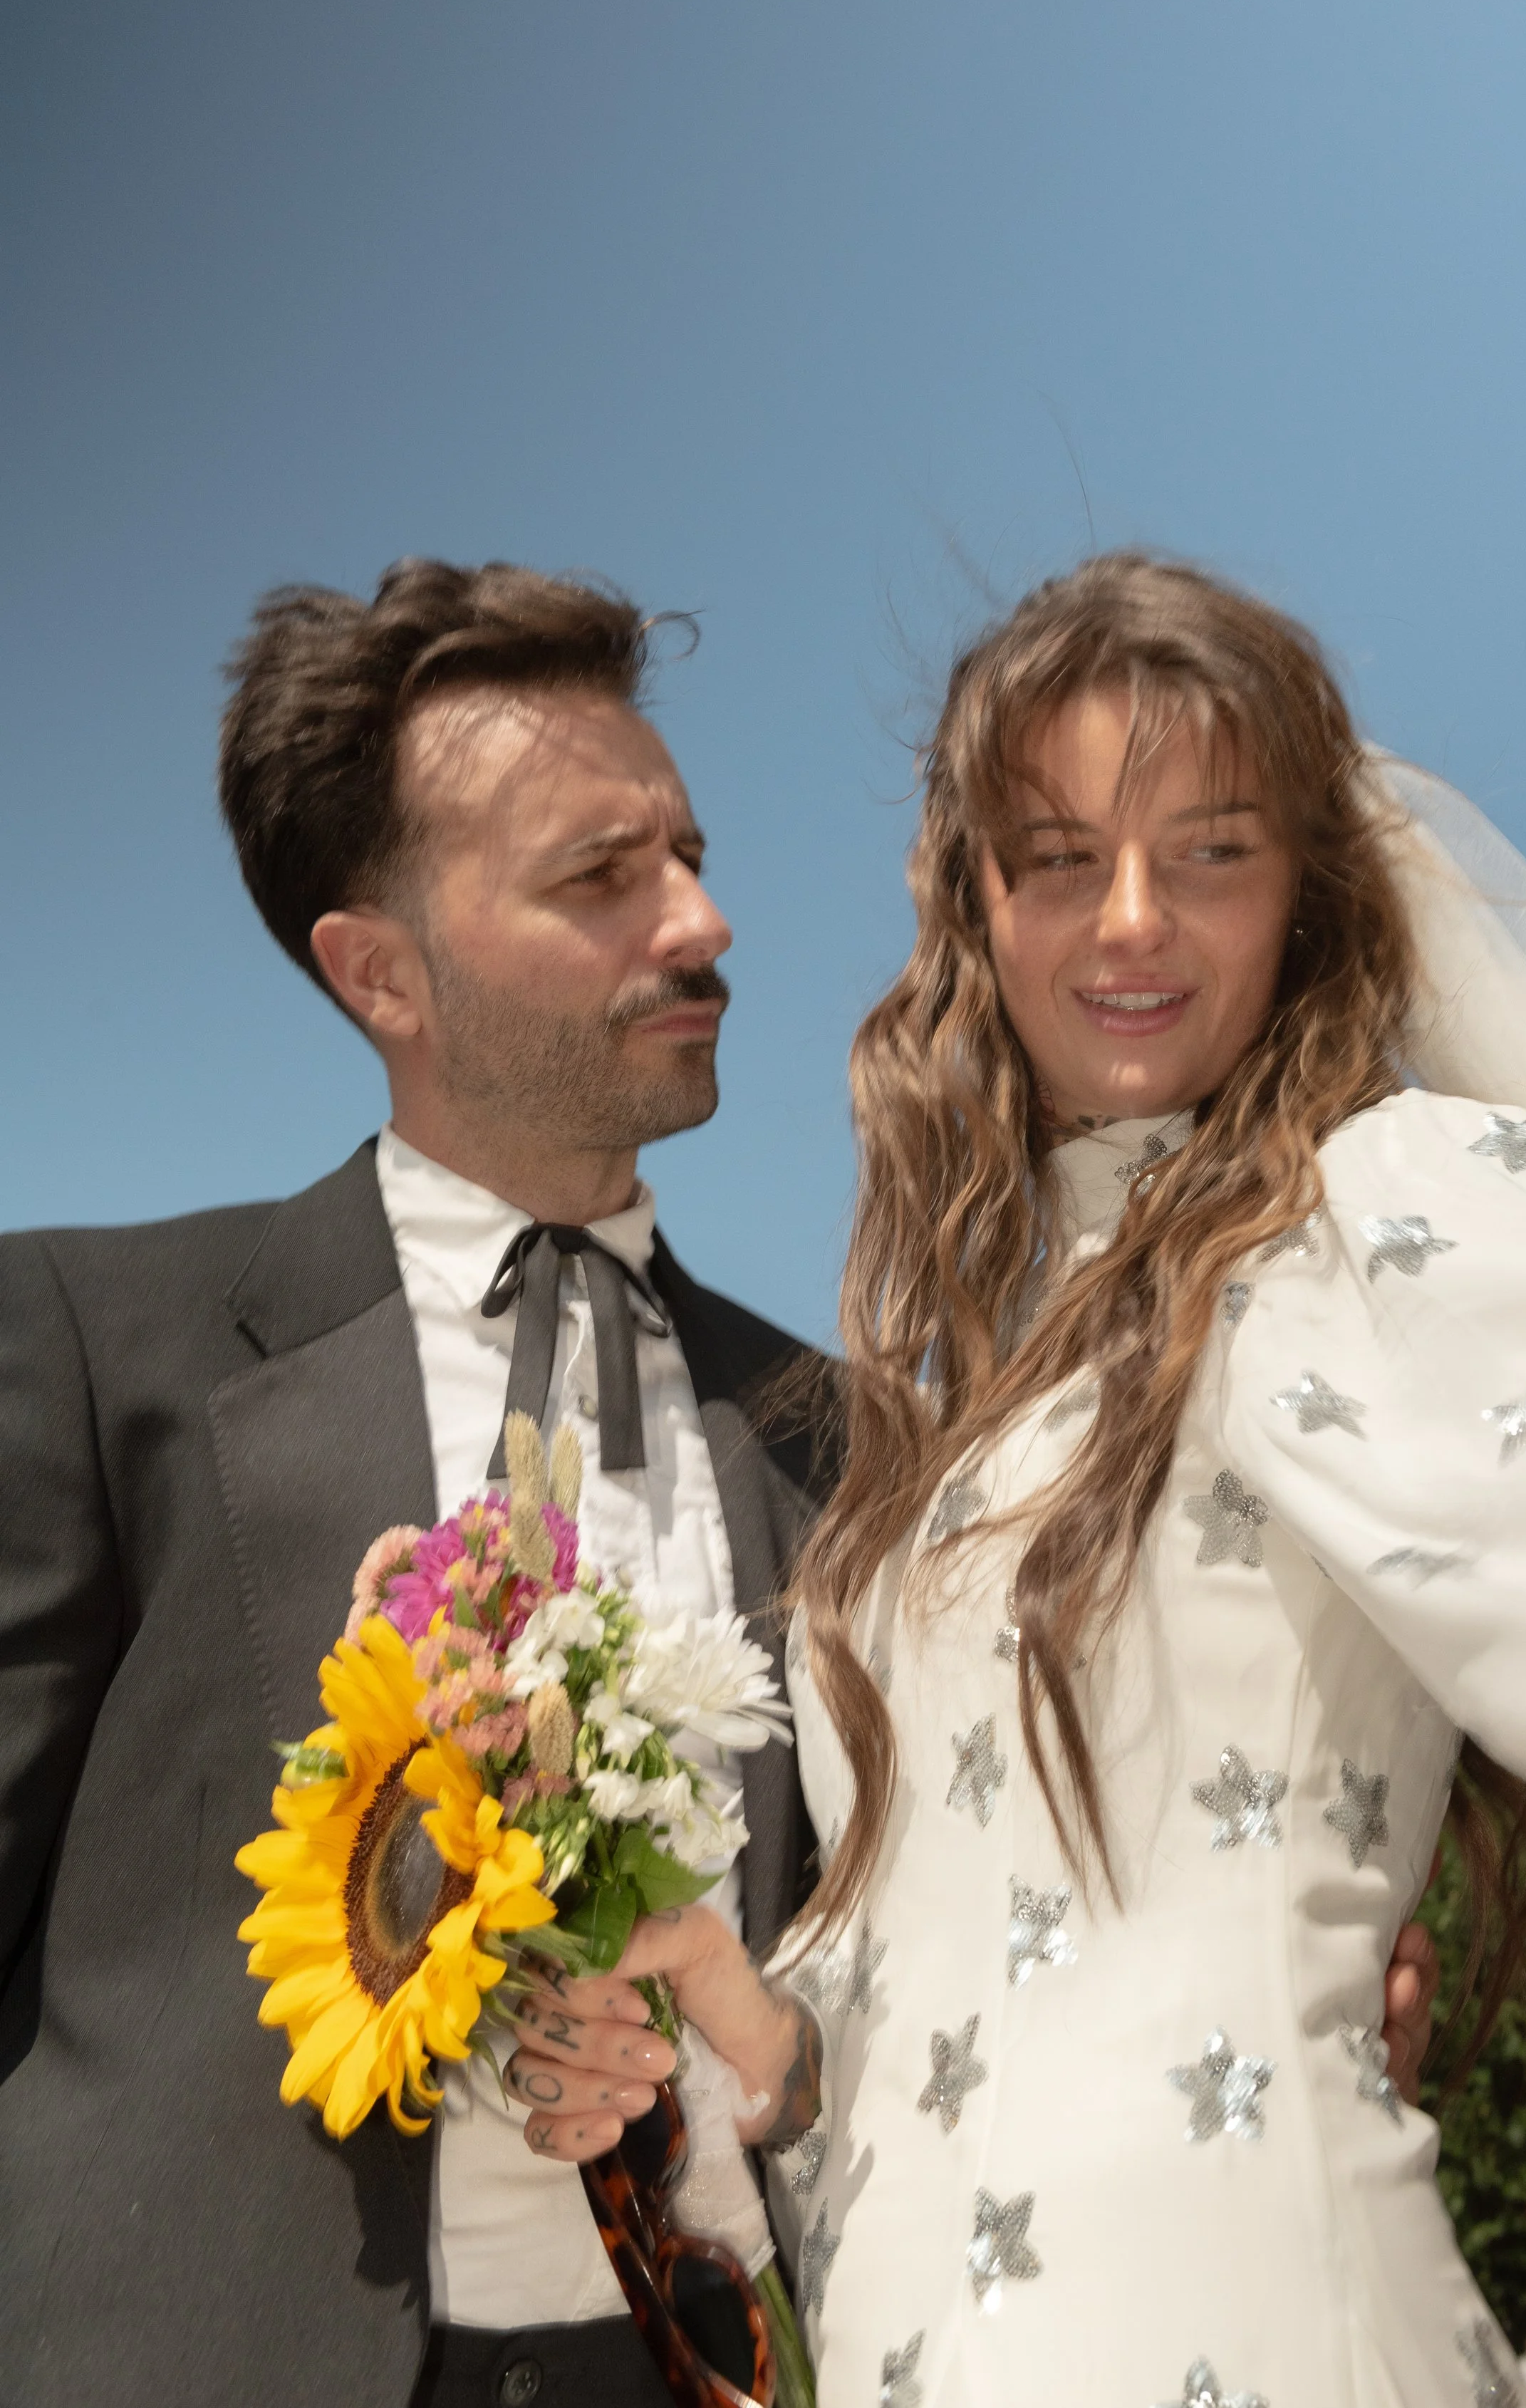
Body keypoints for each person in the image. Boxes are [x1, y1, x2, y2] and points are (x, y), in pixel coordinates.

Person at [0, 554, 1433, 2408]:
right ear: (380, 973)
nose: (703, 920)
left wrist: (1253, 1966)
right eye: (602, 879)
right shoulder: (97, 1346)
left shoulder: (865, 1449)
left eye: (680, 850)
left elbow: (938, 1974)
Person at [512, 552, 1526, 2407]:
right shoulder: (957, 1440)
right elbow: (895, 2030)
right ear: (979, 909)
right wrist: (725, 2019)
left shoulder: (1390, 1210)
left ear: (1304, 898)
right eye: (1054, 858)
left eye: (1208, 849)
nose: (1127, 923)